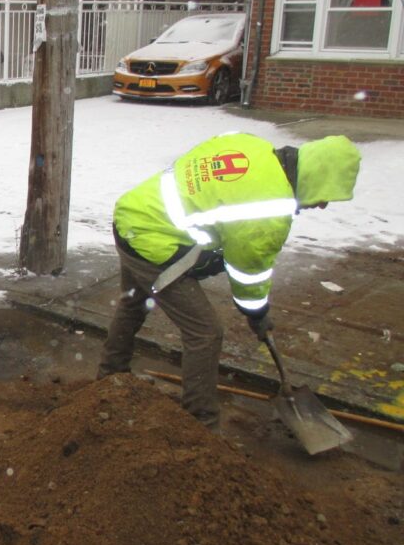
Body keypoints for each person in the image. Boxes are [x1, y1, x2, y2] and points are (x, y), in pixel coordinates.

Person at [97, 133, 361, 429]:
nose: (323, 205)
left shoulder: (253, 145)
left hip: (134, 213)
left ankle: (109, 377)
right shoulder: (269, 210)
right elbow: (248, 273)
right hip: (154, 241)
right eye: (327, 195)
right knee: (205, 333)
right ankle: (201, 423)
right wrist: (257, 314)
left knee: (134, 302)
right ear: (317, 178)